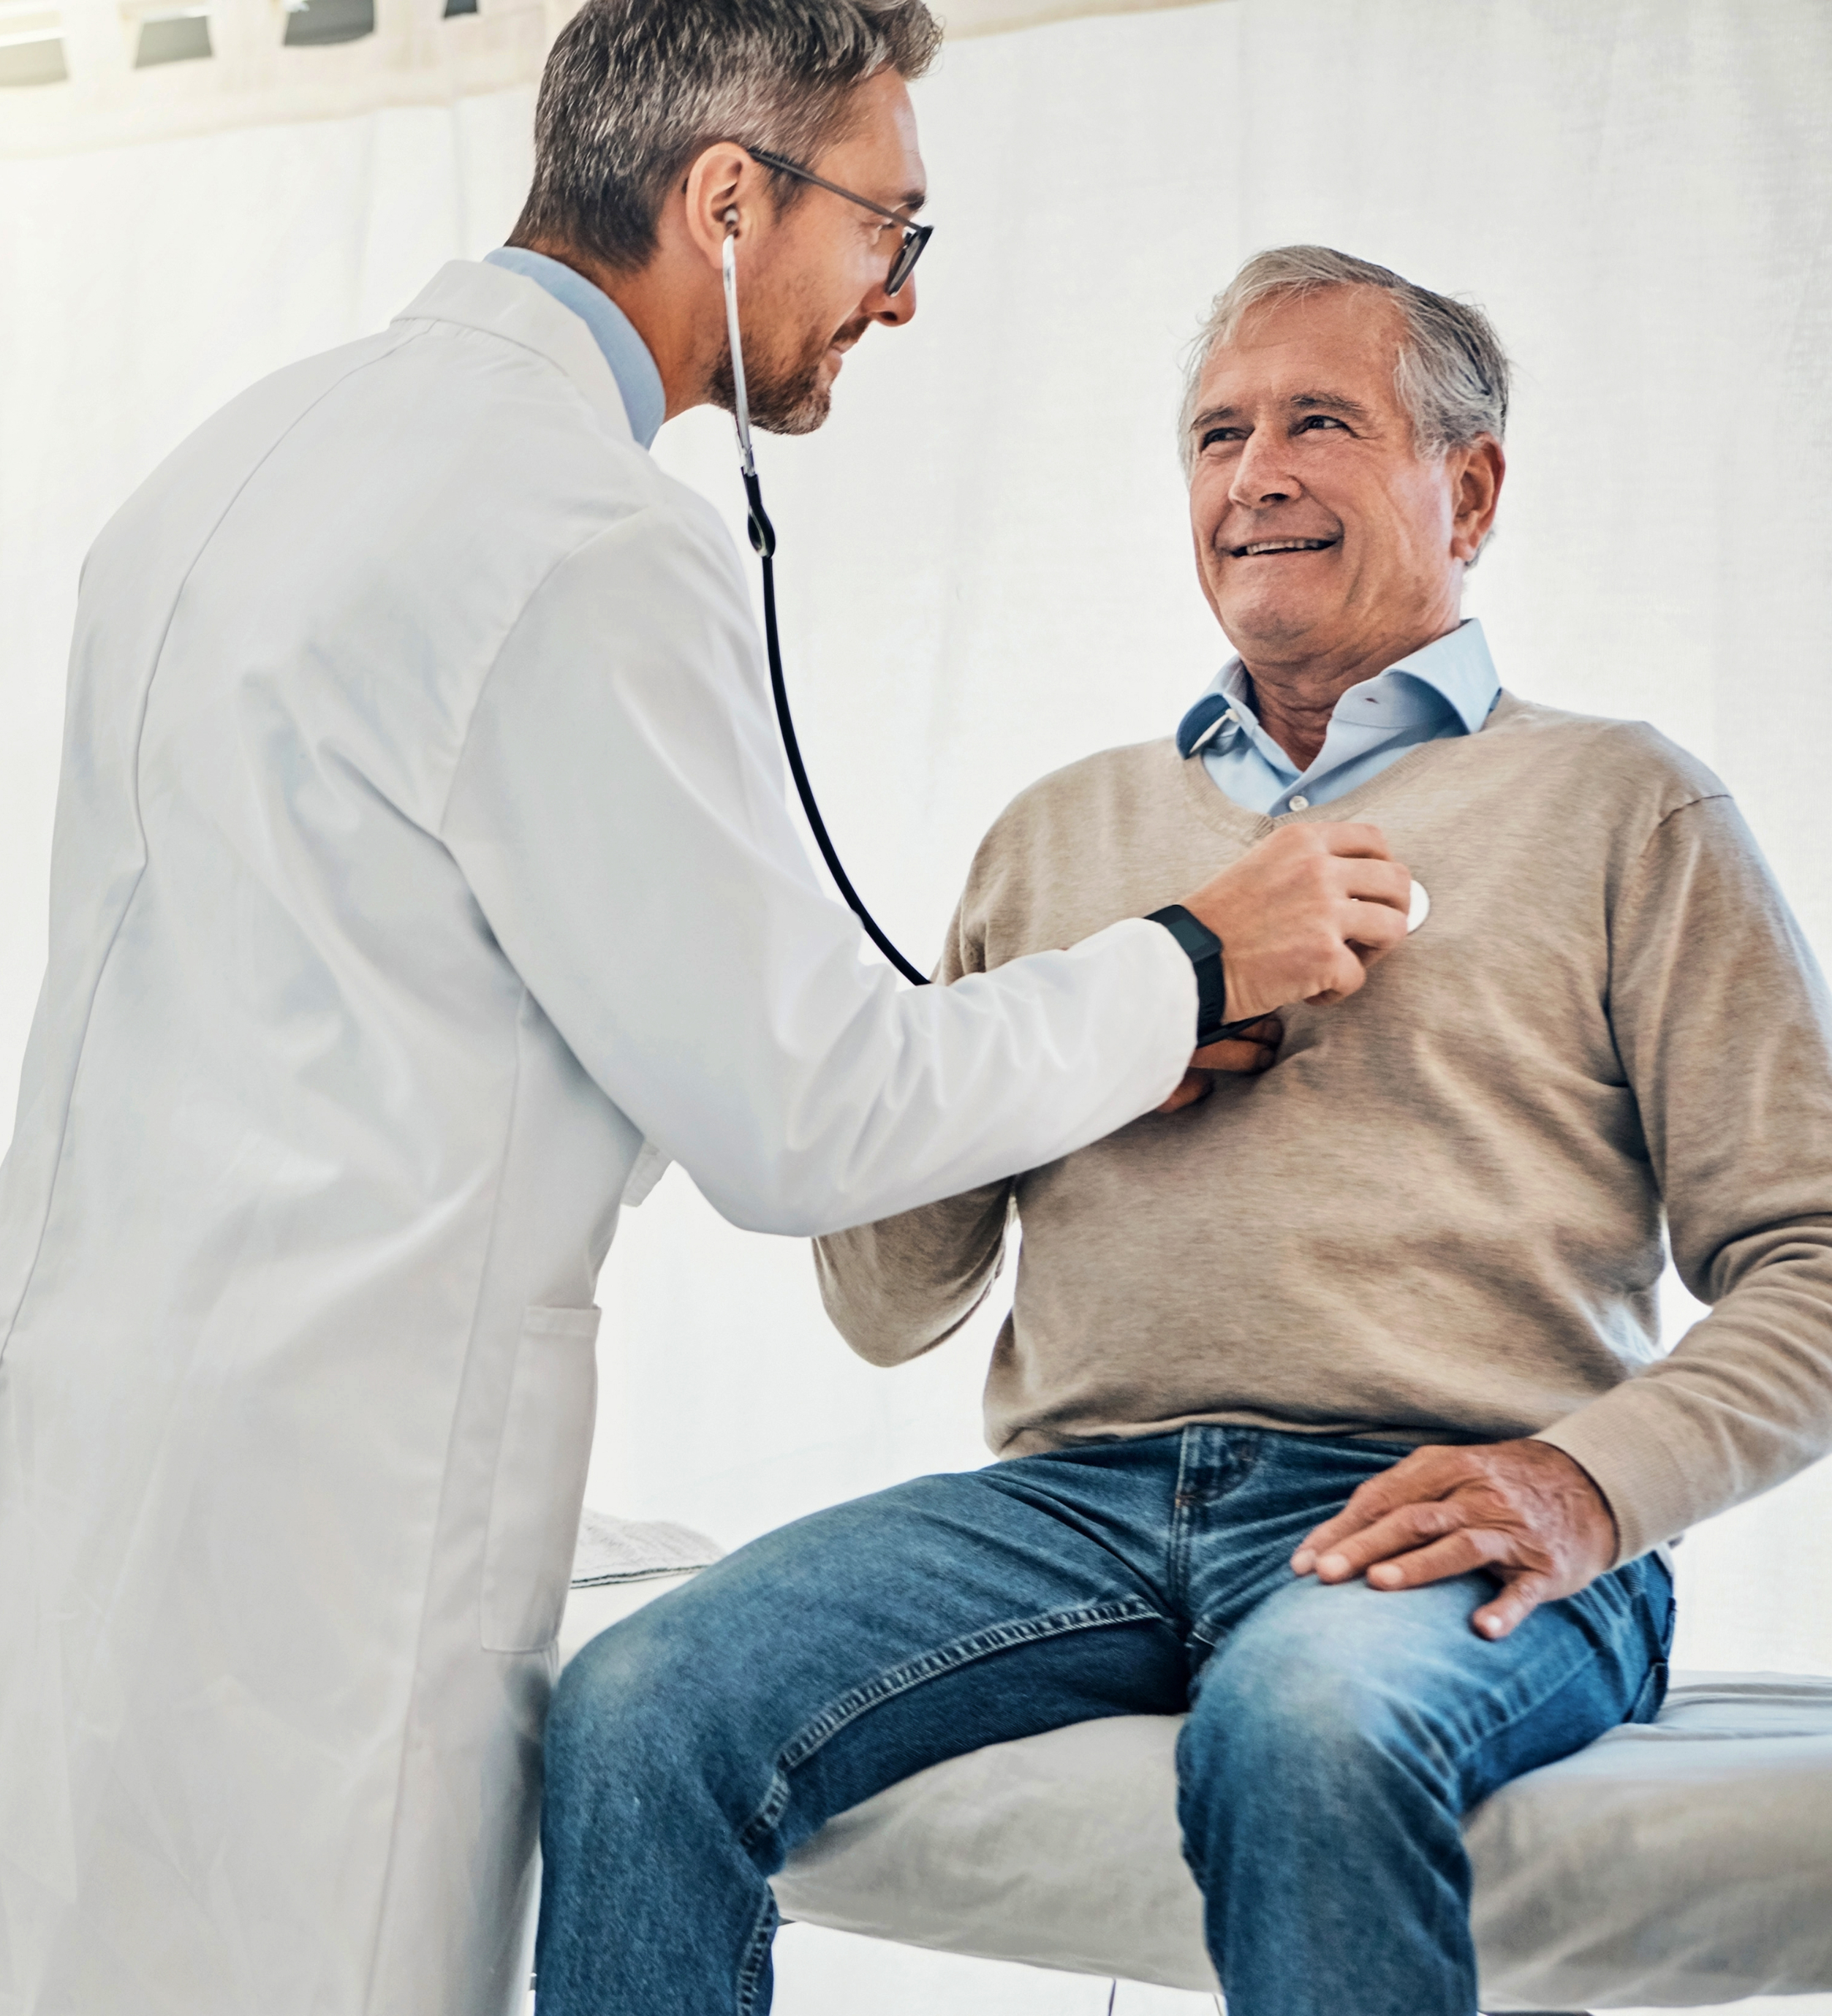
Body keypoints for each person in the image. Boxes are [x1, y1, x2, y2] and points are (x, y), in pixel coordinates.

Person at [0, 10, 1410, 2014]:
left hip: (71, 1448)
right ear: (728, 202)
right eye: (887, 228)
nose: (898, 298)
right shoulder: (581, 542)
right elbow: (802, 1114)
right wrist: (1186, 962)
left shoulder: (233, 462)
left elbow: (422, 979)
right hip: (316, 1522)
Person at [538, 246, 1832, 2016]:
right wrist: (1082, 1036)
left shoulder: (1625, 804)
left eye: (1318, 423)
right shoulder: (1056, 835)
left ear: (1467, 490)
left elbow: (1810, 1257)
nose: (1254, 474)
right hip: (1070, 1504)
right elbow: (885, 1299)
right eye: (1218, 435)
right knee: (632, 1703)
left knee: (1307, 1724)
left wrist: (1581, 1484)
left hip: (1423, 1497)